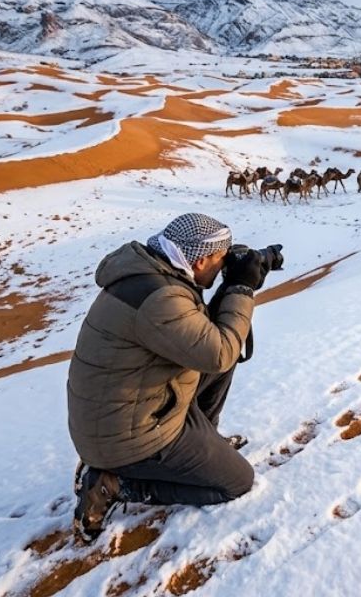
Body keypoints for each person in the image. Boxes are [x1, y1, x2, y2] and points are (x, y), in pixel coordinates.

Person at [67, 213, 277, 542]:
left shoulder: (151, 273)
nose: (224, 264)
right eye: (221, 258)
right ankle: (113, 483)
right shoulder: (161, 298)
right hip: (125, 437)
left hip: (124, 413)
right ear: (201, 260)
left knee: (219, 358)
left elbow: (204, 337)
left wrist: (236, 279)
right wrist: (241, 286)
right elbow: (219, 352)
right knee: (237, 482)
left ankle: (203, 442)